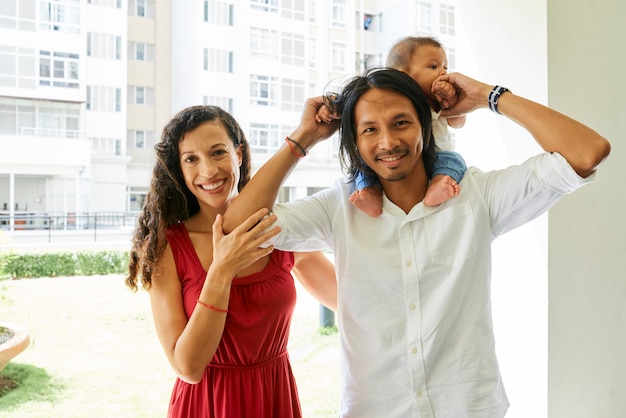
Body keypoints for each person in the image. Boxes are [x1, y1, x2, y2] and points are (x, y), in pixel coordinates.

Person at [223, 68, 610, 417]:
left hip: (468, 408)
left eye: (401, 123)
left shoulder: (476, 194)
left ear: (425, 127)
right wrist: (304, 137)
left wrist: (488, 96)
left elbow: (587, 151)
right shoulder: (338, 206)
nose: (388, 141)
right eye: (370, 129)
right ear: (355, 143)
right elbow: (237, 224)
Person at [125, 105, 337, 418]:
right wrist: (222, 270)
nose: (208, 171)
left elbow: (353, 304)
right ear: (179, 170)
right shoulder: (167, 247)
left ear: (238, 154)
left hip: (274, 398)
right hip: (206, 405)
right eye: (191, 159)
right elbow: (187, 367)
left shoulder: (277, 231)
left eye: (217, 153)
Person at [317, 36, 467, 216]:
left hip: (438, 155)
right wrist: (331, 110)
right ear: (404, 76)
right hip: (389, 163)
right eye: (434, 67)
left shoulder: (440, 101)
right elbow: (348, 107)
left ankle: (438, 184)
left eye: (445, 67)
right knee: (362, 166)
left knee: (454, 161)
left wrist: (454, 100)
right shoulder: (380, 100)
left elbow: (458, 122)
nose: (443, 73)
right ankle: (370, 192)